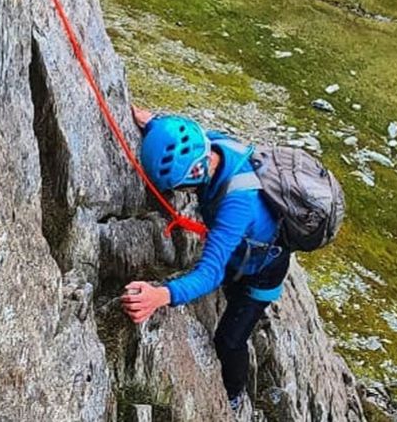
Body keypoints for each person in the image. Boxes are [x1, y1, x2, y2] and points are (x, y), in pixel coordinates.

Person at [119, 106, 289, 412]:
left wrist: (161, 295)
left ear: (194, 174)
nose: (176, 194)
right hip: (244, 255)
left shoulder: (238, 204)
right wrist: (157, 126)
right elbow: (185, 140)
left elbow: (211, 274)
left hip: (262, 273)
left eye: (178, 188)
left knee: (229, 340)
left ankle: (235, 397)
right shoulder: (213, 146)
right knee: (231, 296)